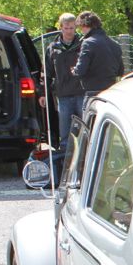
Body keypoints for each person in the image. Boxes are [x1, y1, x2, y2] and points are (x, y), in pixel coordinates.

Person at [39, 13, 83, 174]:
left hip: (81, 93)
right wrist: (42, 93)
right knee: (65, 131)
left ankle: (85, 160)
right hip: (63, 95)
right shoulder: (53, 48)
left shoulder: (83, 44)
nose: (69, 31)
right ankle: (65, 165)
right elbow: (46, 73)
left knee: (85, 127)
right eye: (66, 28)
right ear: (60, 27)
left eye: (72, 28)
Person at [71, 11, 124, 106]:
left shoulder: (88, 43)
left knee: (90, 120)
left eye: (80, 27)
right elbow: (120, 71)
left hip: (93, 93)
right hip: (110, 92)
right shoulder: (115, 44)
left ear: (85, 25)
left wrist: (75, 70)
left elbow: (81, 70)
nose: (81, 31)